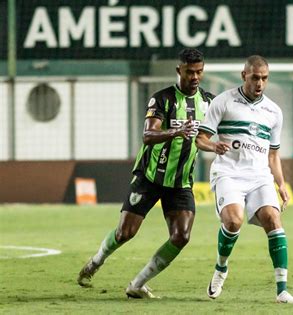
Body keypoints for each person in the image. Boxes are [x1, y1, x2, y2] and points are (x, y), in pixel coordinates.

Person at [77, 48, 213, 298]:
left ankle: (137, 284)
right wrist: (175, 131)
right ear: (179, 70)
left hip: (180, 182)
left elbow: (208, 136)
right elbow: (148, 136)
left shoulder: (209, 103)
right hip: (150, 178)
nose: (195, 77)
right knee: (124, 233)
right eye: (190, 72)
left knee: (181, 236)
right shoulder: (162, 99)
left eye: (199, 72)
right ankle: (96, 261)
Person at [196, 55, 293, 304]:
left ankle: (282, 290)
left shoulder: (274, 112)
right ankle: (221, 267)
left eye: (264, 78)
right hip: (229, 173)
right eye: (255, 77)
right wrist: (213, 147)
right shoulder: (223, 102)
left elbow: (273, 154)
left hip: (259, 176)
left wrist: (281, 184)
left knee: (273, 219)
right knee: (233, 222)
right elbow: (200, 138)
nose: (260, 83)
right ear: (244, 75)